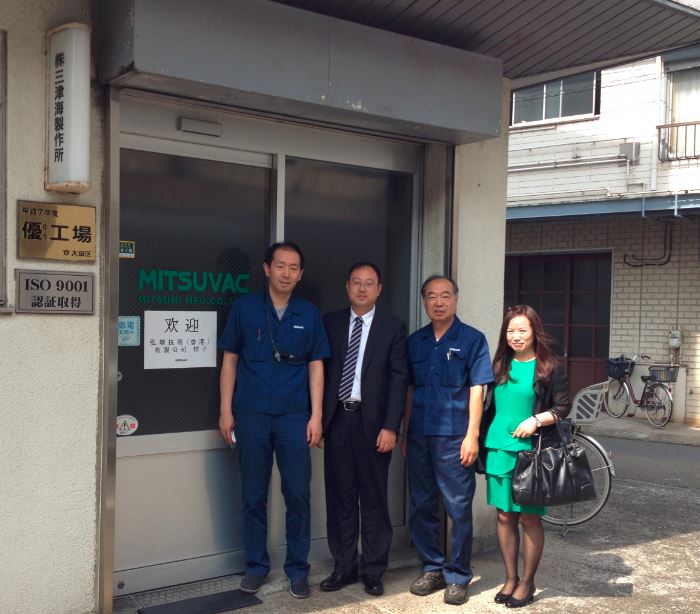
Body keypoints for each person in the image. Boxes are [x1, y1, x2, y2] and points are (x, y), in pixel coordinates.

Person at [218, 242, 330, 599]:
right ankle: (256, 566)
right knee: (254, 494)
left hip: (294, 416)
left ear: (300, 274)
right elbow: (230, 360)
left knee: (297, 493)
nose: (286, 273)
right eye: (280, 266)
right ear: (266, 269)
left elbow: (316, 365)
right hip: (250, 414)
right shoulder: (245, 307)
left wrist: (316, 415)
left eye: (294, 268)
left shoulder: (309, 313)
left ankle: (298, 569)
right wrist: (225, 410)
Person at [402, 275, 493, 606]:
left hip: (455, 437)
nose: (438, 302)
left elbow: (478, 389)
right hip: (420, 435)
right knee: (421, 504)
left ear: (455, 298)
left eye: (444, 295)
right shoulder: (416, 341)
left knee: (458, 507)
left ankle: (458, 574)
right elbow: (410, 389)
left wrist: (472, 436)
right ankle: (432, 567)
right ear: (424, 301)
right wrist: (406, 431)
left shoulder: (472, 339)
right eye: (431, 296)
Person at [320, 262, 409, 597]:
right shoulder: (330, 323)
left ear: (379, 289)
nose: (361, 288)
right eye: (356, 282)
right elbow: (319, 373)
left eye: (369, 283)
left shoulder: (392, 327)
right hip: (338, 421)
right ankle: (344, 567)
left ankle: (373, 569)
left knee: (373, 499)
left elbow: (399, 381)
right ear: (346, 286)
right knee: (340, 497)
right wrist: (318, 420)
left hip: (374, 425)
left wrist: (391, 427)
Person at [479, 304, 571, 608]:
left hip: (531, 452)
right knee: (504, 515)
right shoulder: (499, 365)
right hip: (498, 448)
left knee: (530, 518)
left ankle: (528, 582)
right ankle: (510, 578)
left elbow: (563, 407)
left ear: (534, 332)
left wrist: (536, 420)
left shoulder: (550, 366)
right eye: (510, 330)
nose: (515, 336)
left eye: (522, 330)